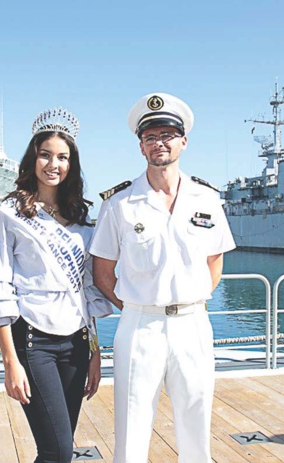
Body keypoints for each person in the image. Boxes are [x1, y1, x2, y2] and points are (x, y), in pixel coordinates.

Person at [90, 93, 236, 462]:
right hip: (141, 325)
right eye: (151, 136)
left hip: (193, 323)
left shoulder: (207, 198)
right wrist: (139, 307)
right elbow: (103, 273)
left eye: (168, 134)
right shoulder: (118, 204)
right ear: (141, 146)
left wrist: (187, 299)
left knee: (196, 420)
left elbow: (214, 264)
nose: (160, 143)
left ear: (183, 142)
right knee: (131, 423)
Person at [0, 108, 112, 463]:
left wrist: (96, 353)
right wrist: (10, 363)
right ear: (33, 158)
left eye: (62, 157)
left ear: (71, 164)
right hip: (34, 343)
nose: (53, 164)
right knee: (58, 451)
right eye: (45, 154)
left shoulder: (81, 217)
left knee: (58, 449)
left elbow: (87, 290)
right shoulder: (9, 213)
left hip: (77, 342)